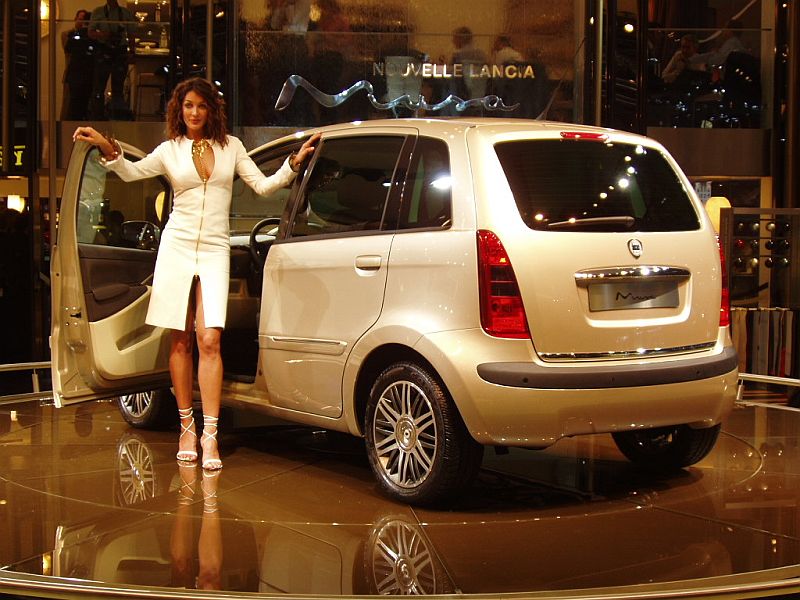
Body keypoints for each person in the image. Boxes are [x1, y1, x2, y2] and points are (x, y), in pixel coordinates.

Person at [72, 78, 320, 470]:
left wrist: (294, 163)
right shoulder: (170, 150)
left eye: (201, 106)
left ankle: (210, 434)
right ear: (179, 109)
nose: (194, 112)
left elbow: (263, 185)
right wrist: (106, 146)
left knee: (209, 339)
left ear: (211, 110)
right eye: (188, 105)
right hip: (177, 246)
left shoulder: (231, 147)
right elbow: (133, 172)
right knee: (180, 340)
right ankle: (186, 427)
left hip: (215, 249)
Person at [87, 0, 137, 119]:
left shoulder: (125, 13)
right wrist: (103, 35)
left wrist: (132, 51)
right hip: (103, 51)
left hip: (120, 52)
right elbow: (90, 32)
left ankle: (117, 117)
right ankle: (97, 118)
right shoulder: (98, 12)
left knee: (118, 89)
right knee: (98, 88)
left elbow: (131, 34)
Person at [61, 9, 94, 120]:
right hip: (73, 74)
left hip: (87, 74)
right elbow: (69, 49)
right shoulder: (68, 34)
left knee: (84, 105)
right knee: (69, 104)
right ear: (75, 19)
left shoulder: (90, 36)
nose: (82, 22)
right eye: (80, 19)